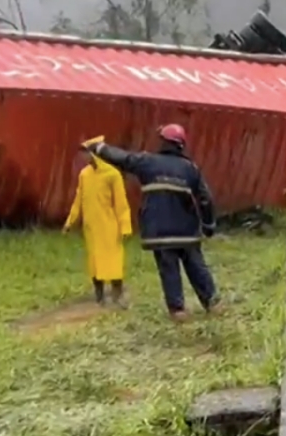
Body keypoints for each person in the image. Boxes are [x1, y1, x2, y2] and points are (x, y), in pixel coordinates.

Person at [85, 124, 220, 321]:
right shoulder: (190, 168)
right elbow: (205, 199)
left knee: (169, 270)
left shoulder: (147, 162)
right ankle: (212, 303)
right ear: (181, 145)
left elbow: (122, 158)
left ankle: (178, 311)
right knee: (196, 266)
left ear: (163, 142)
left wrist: (99, 147)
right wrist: (208, 226)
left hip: (160, 232)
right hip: (187, 232)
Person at [63, 137, 132, 307]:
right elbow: (79, 199)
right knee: (94, 262)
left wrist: (125, 226)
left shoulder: (112, 175)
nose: (83, 158)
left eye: (85, 153)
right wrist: (70, 221)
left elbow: (121, 204)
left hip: (109, 226)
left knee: (112, 260)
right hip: (91, 227)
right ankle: (99, 296)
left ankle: (117, 294)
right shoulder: (85, 175)